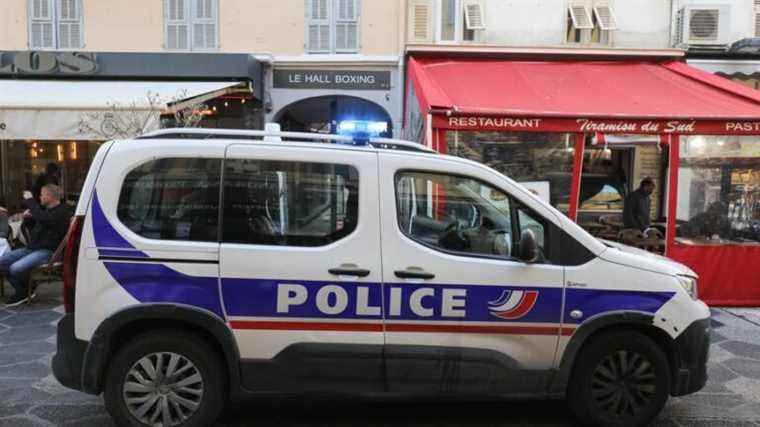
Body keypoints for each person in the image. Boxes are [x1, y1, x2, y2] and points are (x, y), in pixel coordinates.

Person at [0, 184, 71, 307]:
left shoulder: (62, 211)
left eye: (42, 195)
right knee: (2, 262)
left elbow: (47, 220)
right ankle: (24, 289)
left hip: (48, 252)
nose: (40, 197)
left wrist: (30, 201)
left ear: (49, 196)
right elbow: (37, 226)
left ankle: (25, 289)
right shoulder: (45, 212)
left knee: (15, 268)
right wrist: (28, 219)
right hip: (32, 249)